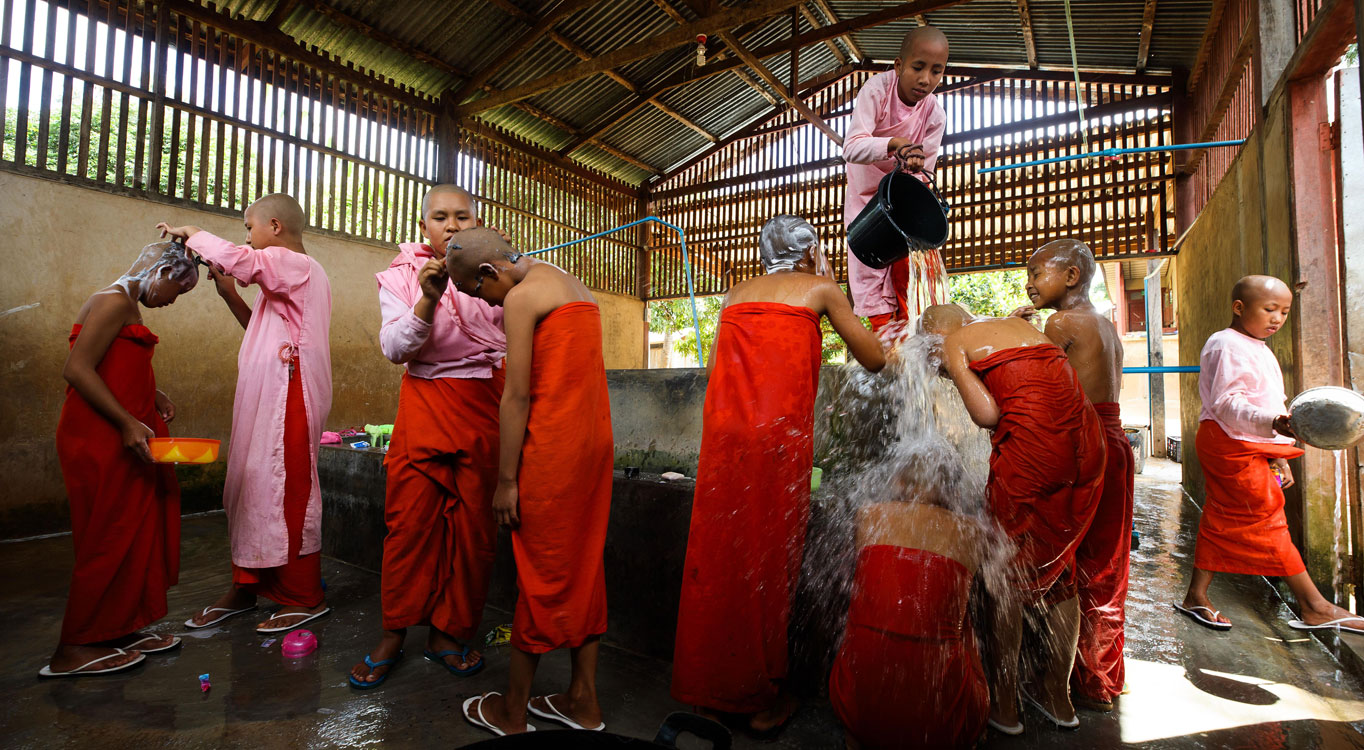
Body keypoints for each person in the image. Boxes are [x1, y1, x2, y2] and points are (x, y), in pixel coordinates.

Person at [671, 215, 886, 738]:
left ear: (762, 254)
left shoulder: (734, 294)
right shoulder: (819, 289)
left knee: (719, 555)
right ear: (812, 252)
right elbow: (875, 358)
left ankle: (705, 690)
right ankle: (756, 696)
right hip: (775, 443)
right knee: (767, 561)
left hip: (724, 439)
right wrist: (831, 282)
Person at [447, 228, 613, 737]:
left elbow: (516, 397)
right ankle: (583, 701)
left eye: (479, 294)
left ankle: (513, 711)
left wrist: (505, 480)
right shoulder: (569, 282)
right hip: (594, 447)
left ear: (489, 273)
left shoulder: (520, 298)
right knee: (584, 569)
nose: (488, 305)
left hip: (553, 453)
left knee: (539, 576)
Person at [919, 303, 1104, 733]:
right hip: (1089, 446)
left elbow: (988, 415)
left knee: (1003, 573)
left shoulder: (953, 343)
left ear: (938, 335)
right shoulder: (1016, 326)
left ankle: (1005, 707)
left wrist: (951, 366)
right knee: (1060, 571)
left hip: (1035, 454)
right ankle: (1059, 700)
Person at [349, 185, 506, 688]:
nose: (453, 226)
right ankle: (394, 632)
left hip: (484, 406)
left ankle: (448, 632)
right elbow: (395, 347)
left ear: (477, 224)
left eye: (463, 217)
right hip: (424, 404)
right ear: (425, 228)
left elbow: (516, 340)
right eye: (441, 217)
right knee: (408, 525)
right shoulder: (399, 278)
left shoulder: (496, 275)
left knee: (473, 532)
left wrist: (505, 268)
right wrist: (427, 300)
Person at [156, 193, 333, 635]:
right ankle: (247, 585)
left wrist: (195, 234)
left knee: (286, 490)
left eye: (249, 227)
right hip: (266, 397)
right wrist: (229, 295)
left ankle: (303, 596)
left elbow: (243, 260)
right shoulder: (282, 280)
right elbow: (261, 327)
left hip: (290, 397)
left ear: (275, 226)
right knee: (250, 487)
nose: (246, 237)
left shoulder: (298, 265)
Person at [40, 241, 199, 677]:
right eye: (177, 292)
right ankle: (72, 648)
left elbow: (112, 363)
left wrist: (152, 392)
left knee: (131, 533)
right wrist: (129, 422)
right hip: (99, 438)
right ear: (163, 273)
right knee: (108, 537)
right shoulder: (114, 302)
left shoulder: (123, 300)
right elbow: (77, 369)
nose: (171, 303)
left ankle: (117, 628)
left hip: (116, 436)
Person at [1177, 275, 1364, 634]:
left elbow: (1270, 401)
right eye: (1269, 309)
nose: (1277, 318)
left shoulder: (1257, 345)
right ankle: (1315, 606)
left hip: (1251, 442)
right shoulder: (1225, 344)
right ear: (1239, 308)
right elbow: (1227, 404)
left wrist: (1278, 454)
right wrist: (1276, 425)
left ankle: (1196, 597)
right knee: (1265, 516)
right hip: (1229, 443)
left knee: (1224, 515)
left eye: (1285, 311)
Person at [1013, 240, 1131, 711]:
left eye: (1037, 271)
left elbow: (1037, 382)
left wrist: (1020, 332)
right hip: (1117, 441)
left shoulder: (1059, 322)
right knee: (1107, 561)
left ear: (1071, 278)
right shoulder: (1106, 325)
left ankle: (1056, 675)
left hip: (1084, 444)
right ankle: (1100, 677)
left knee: (1061, 554)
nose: (1029, 282)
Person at [829, 446, 990, 749]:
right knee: (960, 618)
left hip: (857, 707)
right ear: (950, 489)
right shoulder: (970, 531)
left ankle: (860, 733)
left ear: (900, 481)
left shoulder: (869, 516)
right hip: (940, 721)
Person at [843, 25, 950, 332]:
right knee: (871, 267)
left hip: (900, 202)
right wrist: (893, 145)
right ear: (899, 65)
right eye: (918, 67)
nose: (925, 79)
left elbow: (921, 176)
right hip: (866, 200)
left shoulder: (934, 115)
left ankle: (907, 341)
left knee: (906, 272)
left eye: (936, 71)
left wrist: (914, 165)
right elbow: (851, 147)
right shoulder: (877, 91)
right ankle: (885, 340)